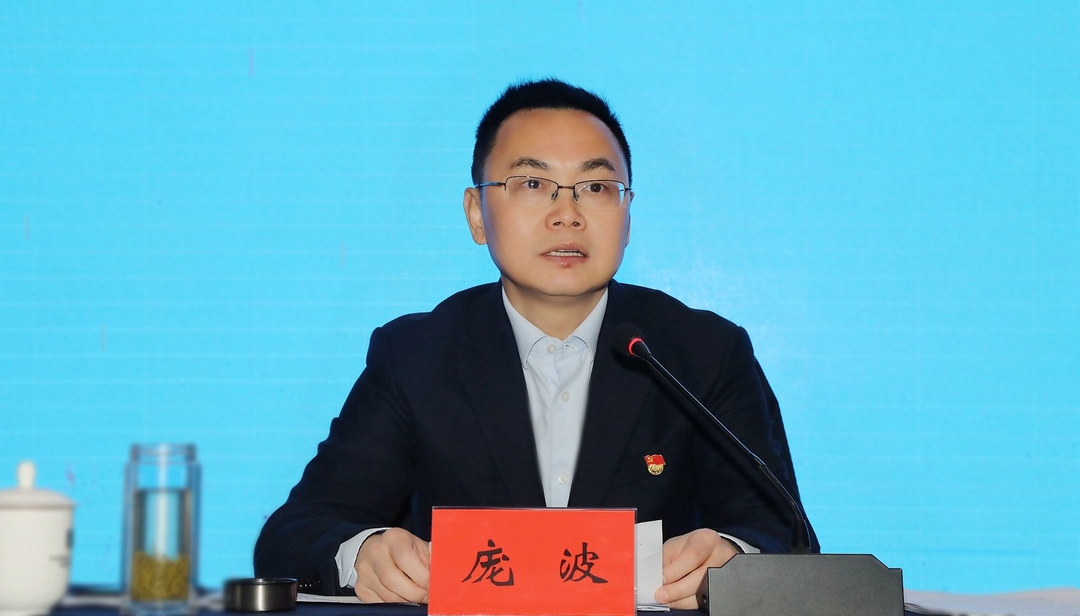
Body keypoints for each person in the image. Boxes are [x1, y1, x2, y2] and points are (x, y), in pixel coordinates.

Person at [253, 79, 818, 608]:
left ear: (627, 216)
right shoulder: (417, 355)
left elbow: (782, 535)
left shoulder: (702, 352)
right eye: (532, 184)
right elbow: (295, 533)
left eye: (596, 187)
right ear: (477, 214)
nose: (566, 214)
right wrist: (363, 554)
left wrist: (733, 562)